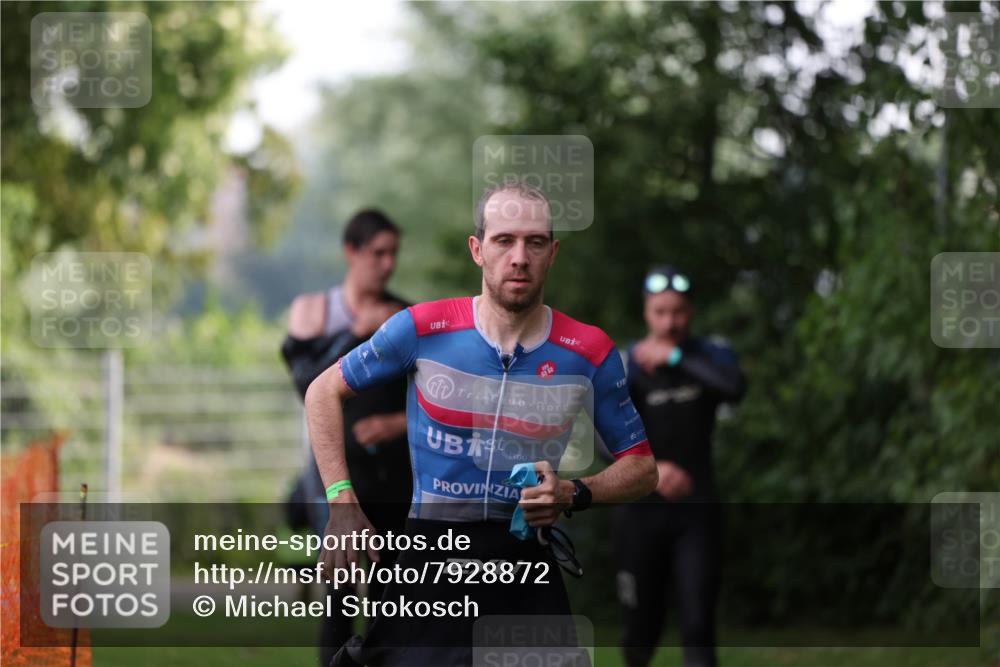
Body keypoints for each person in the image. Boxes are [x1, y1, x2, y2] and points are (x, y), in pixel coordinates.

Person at [304, 182, 658, 666]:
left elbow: (642, 468)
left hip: (524, 559)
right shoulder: (422, 328)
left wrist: (574, 493)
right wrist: (341, 500)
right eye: (503, 240)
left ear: (552, 253)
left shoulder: (589, 350)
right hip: (431, 553)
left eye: (535, 242)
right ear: (478, 249)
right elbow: (323, 390)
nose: (519, 257)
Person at [281, 208, 413, 667]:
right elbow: (305, 384)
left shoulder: (403, 316)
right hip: (334, 477)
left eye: (393, 253)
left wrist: (398, 424)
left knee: (389, 601)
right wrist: (356, 336)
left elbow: (432, 399)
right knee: (338, 595)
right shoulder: (314, 310)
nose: (388, 263)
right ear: (351, 252)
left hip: (393, 481)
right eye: (378, 253)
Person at [615, 266, 746, 667]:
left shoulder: (711, 356)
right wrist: (654, 470)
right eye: (660, 312)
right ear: (646, 313)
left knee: (697, 623)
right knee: (640, 629)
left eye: (679, 312)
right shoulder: (627, 365)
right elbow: (607, 439)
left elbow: (734, 389)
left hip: (697, 510)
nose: (670, 321)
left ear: (691, 311)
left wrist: (674, 357)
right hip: (640, 512)